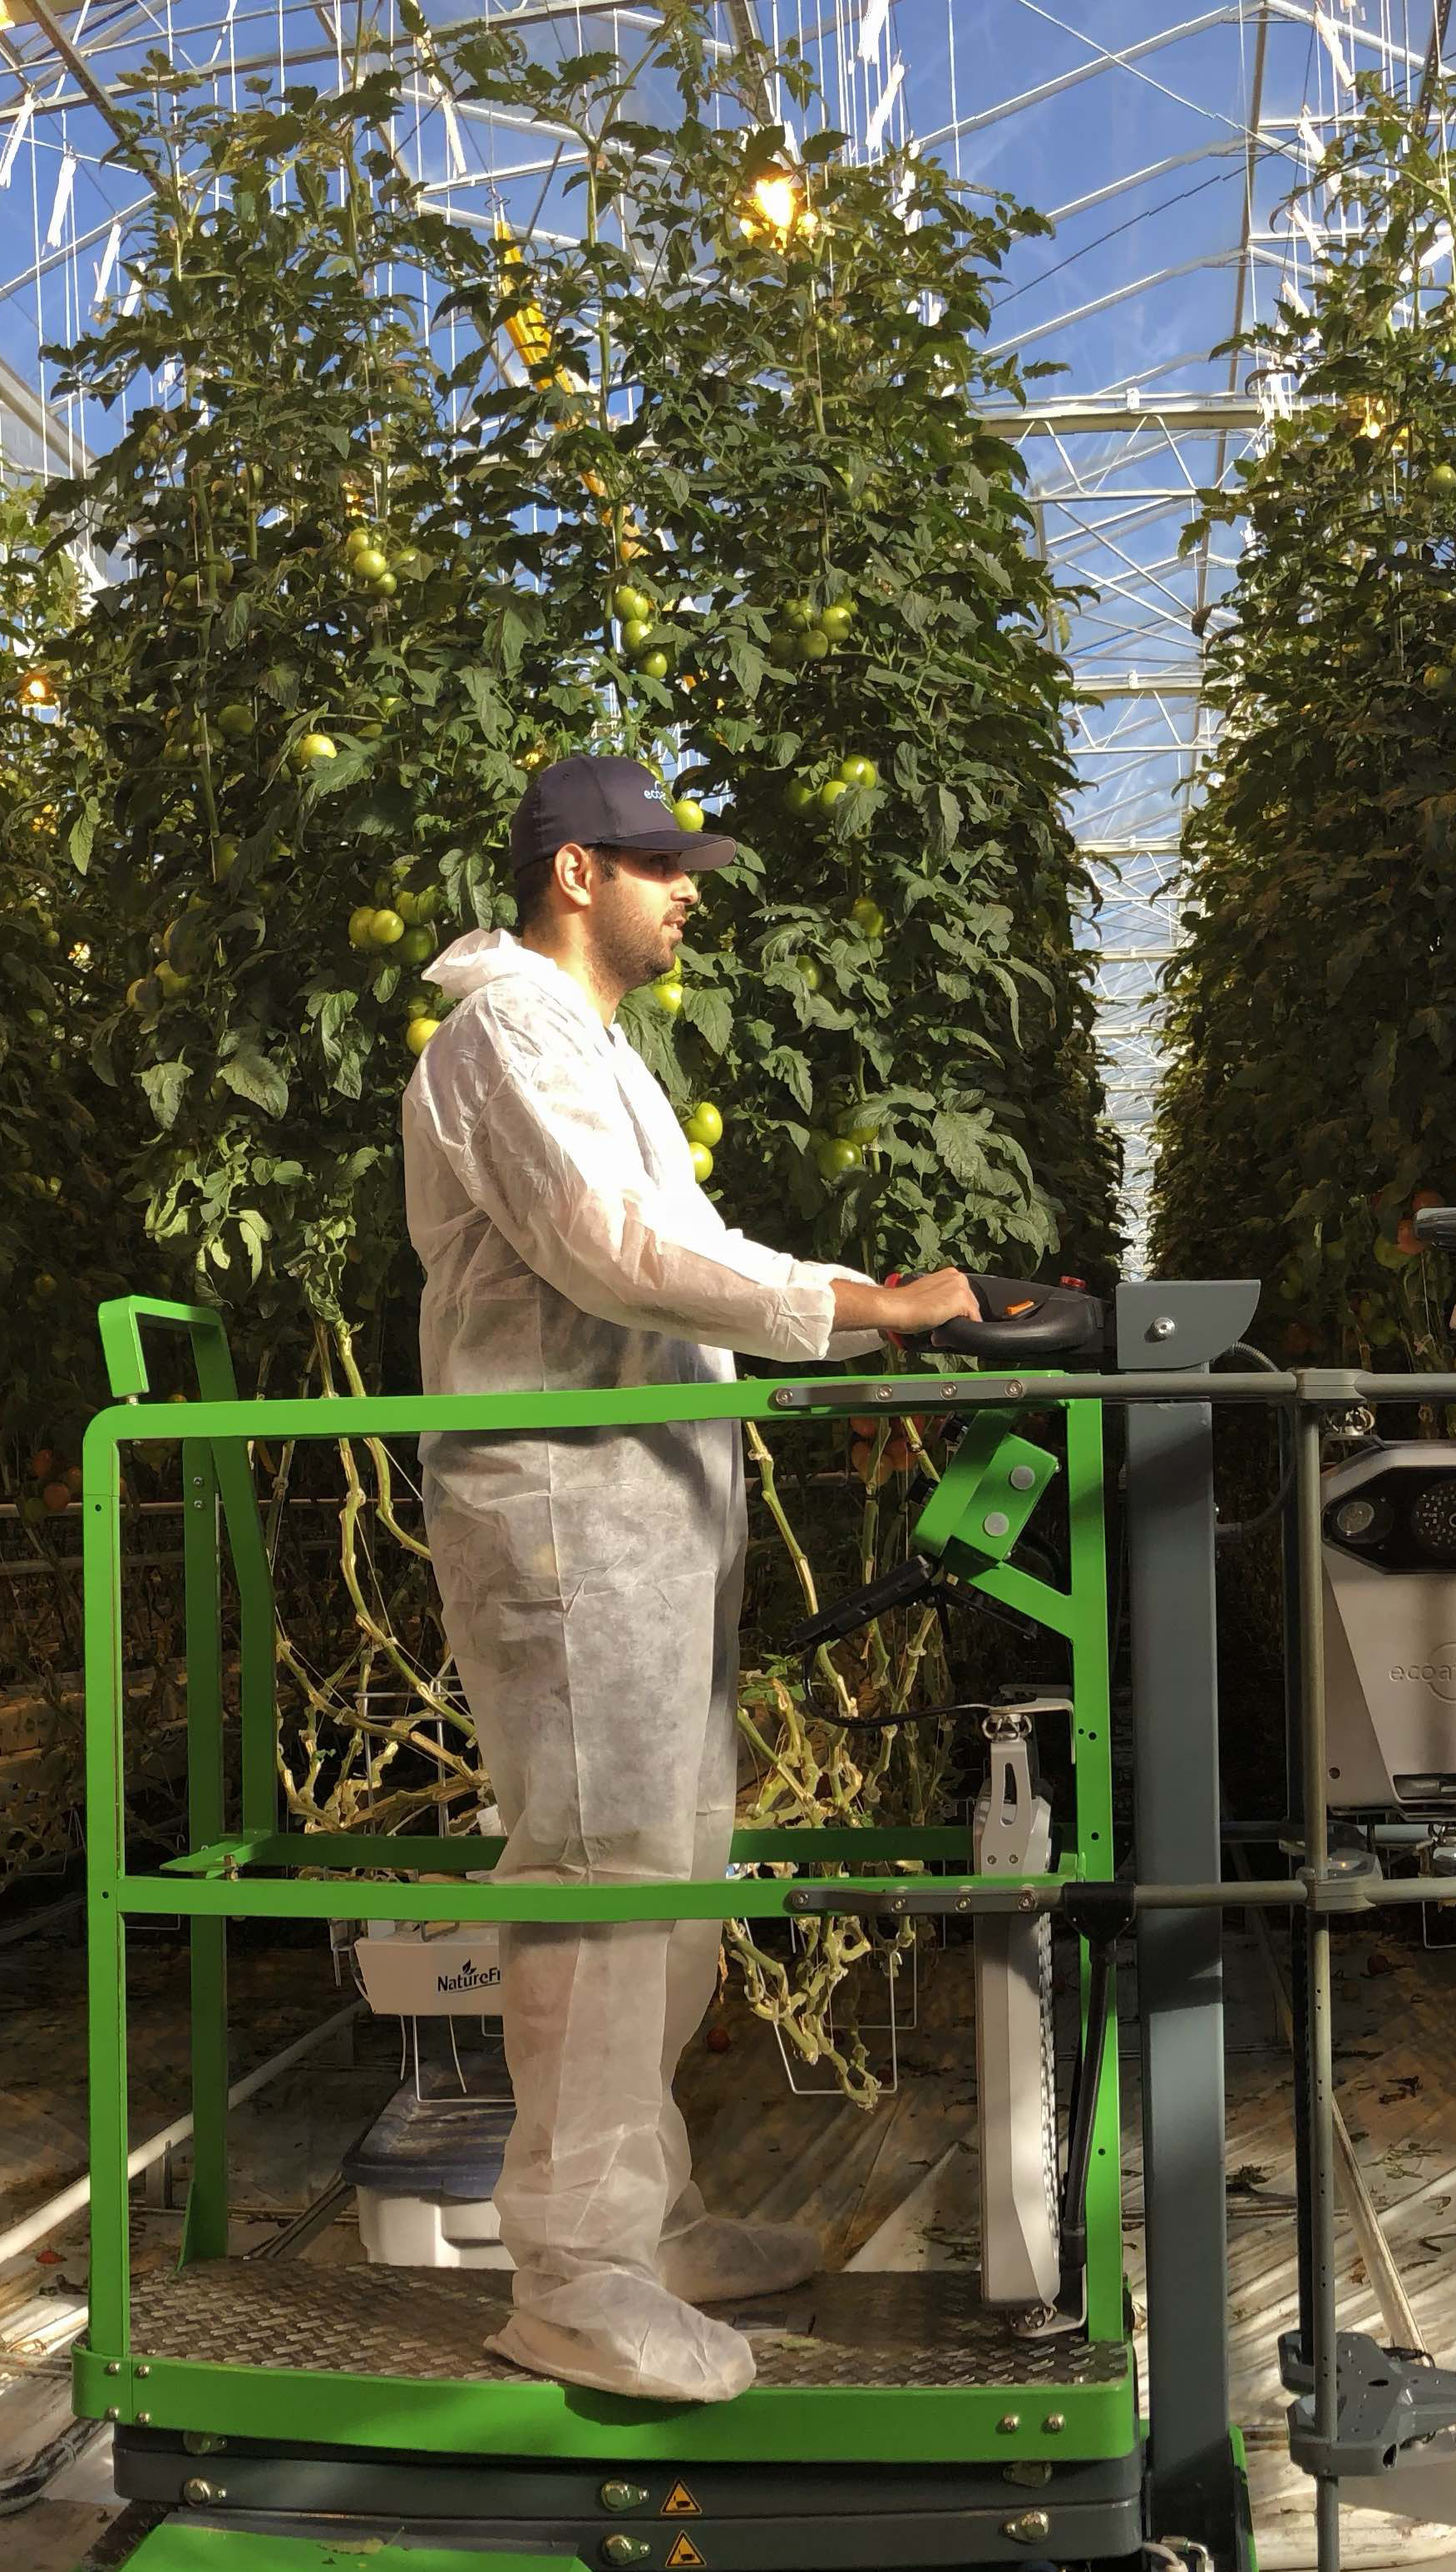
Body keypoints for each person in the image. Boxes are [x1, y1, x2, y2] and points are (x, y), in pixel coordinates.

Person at [403, 753, 980, 2402]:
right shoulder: (505, 1034)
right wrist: (876, 1305)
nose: (690, 891)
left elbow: (666, 1255)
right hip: (565, 1509)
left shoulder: (586, 1050)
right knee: (598, 1869)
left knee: (662, 1863)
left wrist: (859, 1314)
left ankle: (635, 2219)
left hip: (631, 1508)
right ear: (573, 873)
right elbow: (616, 1252)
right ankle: (572, 2275)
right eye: (663, 865)